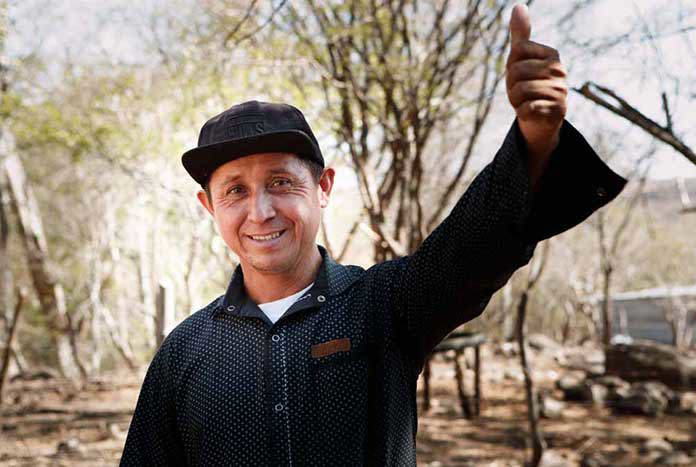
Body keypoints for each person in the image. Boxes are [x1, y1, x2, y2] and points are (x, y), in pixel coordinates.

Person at [121, 5, 627, 466]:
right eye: (235, 191)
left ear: (323, 187)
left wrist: (536, 141)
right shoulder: (184, 351)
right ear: (209, 206)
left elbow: (475, 244)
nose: (261, 211)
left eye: (281, 182)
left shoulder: (387, 304)